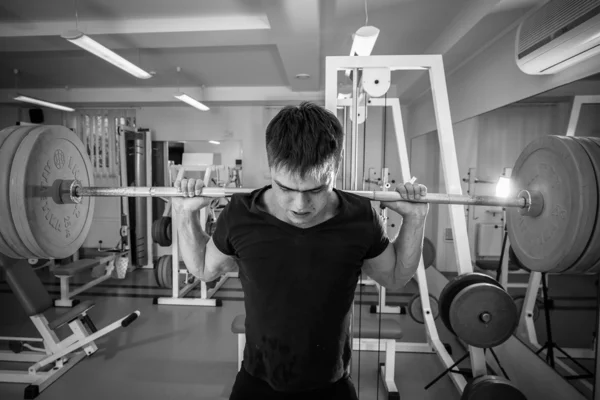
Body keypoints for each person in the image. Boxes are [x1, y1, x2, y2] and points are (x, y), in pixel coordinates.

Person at [171, 102, 428, 400]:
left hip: (331, 385)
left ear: (337, 166)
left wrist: (415, 219)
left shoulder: (359, 216)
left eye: (316, 190)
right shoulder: (241, 213)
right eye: (285, 189)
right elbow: (203, 268)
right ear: (270, 168)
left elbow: (395, 277)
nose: (299, 206)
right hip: (258, 381)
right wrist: (184, 214)